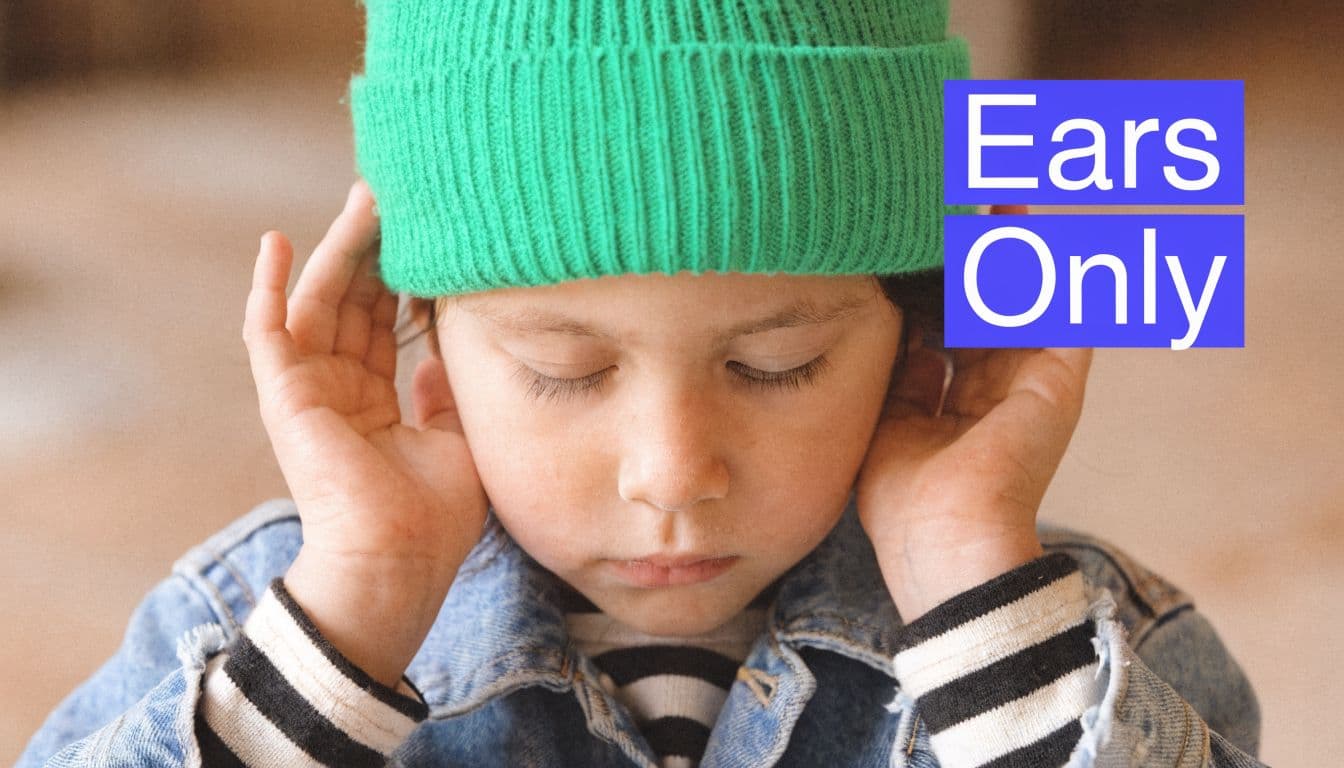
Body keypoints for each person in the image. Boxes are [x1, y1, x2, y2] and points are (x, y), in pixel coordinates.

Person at [18, 1, 1264, 766]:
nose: (673, 473)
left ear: (919, 328)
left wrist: (970, 575)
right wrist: (363, 600)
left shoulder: (1082, 645)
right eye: (565, 371)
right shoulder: (251, 627)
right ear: (428, 340)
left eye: (777, 363)